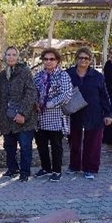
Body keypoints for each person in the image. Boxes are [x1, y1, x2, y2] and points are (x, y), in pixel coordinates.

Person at [66, 47, 112, 179]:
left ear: (90, 60)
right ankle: (75, 165)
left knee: (93, 142)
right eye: (81, 57)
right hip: (74, 112)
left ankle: (90, 168)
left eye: (86, 58)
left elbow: (104, 95)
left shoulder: (97, 76)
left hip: (94, 112)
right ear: (76, 59)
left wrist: (108, 114)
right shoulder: (68, 74)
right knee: (74, 141)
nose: (83, 60)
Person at [0, 46, 38, 182]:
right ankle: (12, 168)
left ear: (18, 57)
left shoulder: (25, 72)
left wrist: (22, 113)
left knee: (25, 146)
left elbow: (31, 93)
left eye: (14, 55)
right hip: (7, 118)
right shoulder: (2, 75)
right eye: (8, 55)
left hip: (23, 118)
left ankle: (25, 172)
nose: (11, 57)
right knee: (9, 146)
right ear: (4, 57)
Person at [33, 47, 72, 182]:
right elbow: (33, 92)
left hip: (56, 116)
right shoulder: (38, 76)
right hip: (40, 116)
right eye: (45, 59)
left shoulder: (63, 75)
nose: (48, 62)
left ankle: (56, 170)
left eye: (52, 59)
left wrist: (49, 103)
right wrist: (36, 103)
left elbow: (66, 94)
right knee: (41, 144)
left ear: (57, 61)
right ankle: (45, 168)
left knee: (56, 145)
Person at [103, 45, 112, 147]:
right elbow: (106, 80)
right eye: (111, 53)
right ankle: (109, 138)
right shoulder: (107, 65)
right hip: (110, 94)